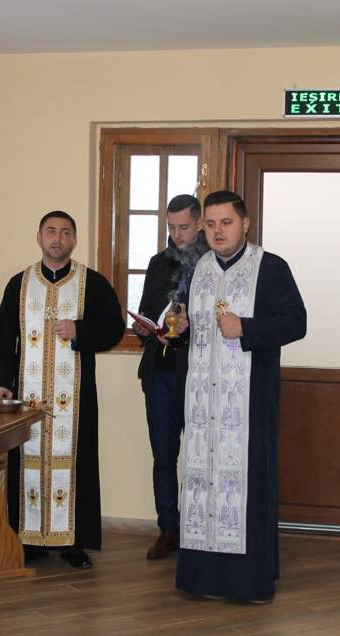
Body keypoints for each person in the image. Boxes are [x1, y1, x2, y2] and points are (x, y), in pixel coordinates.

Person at [175, 190, 307, 602]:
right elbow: (192, 321)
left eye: (226, 223)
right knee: (200, 483)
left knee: (247, 487)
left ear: (245, 224)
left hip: (248, 404)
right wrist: (180, 328)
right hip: (202, 404)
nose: (218, 231)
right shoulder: (199, 267)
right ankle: (200, 579)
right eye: (211, 224)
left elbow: (296, 323)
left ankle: (248, 582)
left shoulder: (270, 267)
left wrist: (245, 328)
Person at [0, 210, 125, 569]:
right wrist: (1, 382)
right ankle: (27, 540)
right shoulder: (19, 284)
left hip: (75, 399)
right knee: (26, 462)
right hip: (27, 398)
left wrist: (81, 330)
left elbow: (114, 328)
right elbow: (4, 338)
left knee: (76, 463)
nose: (57, 238)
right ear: (39, 237)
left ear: (74, 240)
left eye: (65, 232)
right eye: (51, 231)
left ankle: (73, 543)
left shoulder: (92, 283)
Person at [132, 194, 209, 561]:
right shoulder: (157, 263)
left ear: (199, 224)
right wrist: (144, 328)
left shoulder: (213, 262)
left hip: (199, 373)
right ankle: (168, 528)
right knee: (163, 455)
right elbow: (148, 309)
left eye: (184, 227)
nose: (177, 234)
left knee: (200, 455)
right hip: (160, 373)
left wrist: (192, 327)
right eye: (171, 227)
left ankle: (200, 528)